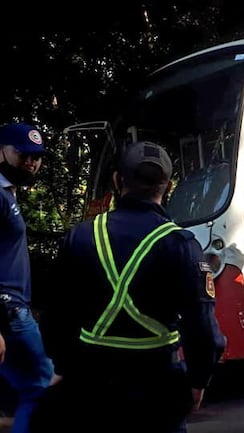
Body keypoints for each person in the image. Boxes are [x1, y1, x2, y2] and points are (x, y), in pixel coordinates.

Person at [31, 142, 226, 433]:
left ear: (117, 180)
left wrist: (62, 366)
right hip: (158, 384)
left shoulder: (81, 237)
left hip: (90, 383)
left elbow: (56, 313)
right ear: (169, 186)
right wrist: (198, 381)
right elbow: (203, 327)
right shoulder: (181, 245)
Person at [0, 122, 54, 433]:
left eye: (36, 157)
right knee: (41, 385)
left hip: (14, 310)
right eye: (23, 155)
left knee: (29, 387)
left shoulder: (8, 194)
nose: (31, 163)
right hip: (9, 313)